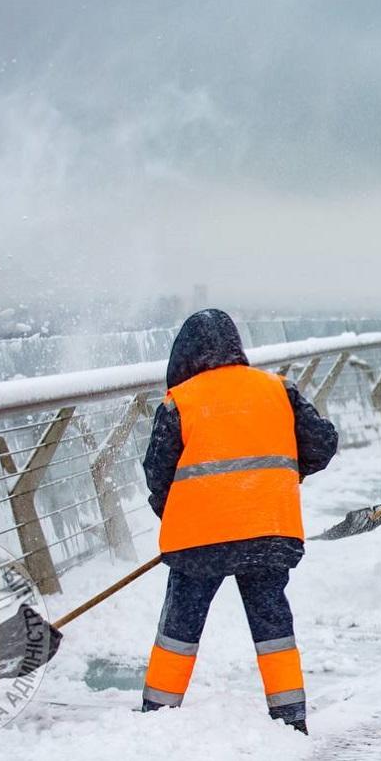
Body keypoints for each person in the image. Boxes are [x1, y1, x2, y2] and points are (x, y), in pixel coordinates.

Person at [139, 309, 338, 733]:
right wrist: (281, 477)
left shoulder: (181, 401)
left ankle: (157, 717)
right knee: (273, 626)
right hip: (268, 527)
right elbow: (322, 443)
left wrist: (174, 510)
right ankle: (290, 718)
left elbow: (157, 472)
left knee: (180, 625)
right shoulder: (278, 390)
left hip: (199, 538)